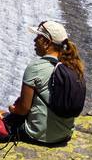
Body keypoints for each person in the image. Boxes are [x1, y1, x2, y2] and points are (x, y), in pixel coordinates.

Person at [5, 18, 85, 147]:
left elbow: (23, 109)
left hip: (37, 135)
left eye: (38, 37)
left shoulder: (36, 67)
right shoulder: (73, 67)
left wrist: (13, 109)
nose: (35, 41)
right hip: (64, 135)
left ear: (47, 42)